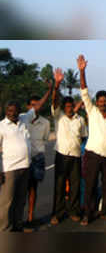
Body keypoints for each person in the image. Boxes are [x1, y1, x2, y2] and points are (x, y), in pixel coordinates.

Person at [0, 85, 52, 231]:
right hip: (9, 169)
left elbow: (38, 105)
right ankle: (4, 229)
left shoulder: (23, 119)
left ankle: (17, 225)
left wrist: (49, 89)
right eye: (10, 110)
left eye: (16, 110)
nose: (13, 113)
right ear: (6, 111)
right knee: (6, 202)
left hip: (25, 167)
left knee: (20, 200)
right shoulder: (1, 126)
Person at [77, 55, 106, 226]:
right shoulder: (92, 111)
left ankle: (105, 212)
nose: (102, 103)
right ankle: (88, 214)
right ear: (97, 102)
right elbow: (84, 92)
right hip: (93, 154)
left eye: (105, 100)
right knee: (90, 186)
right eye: (100, 101)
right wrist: (82, 71)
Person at [50, 68, 88, 225]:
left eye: (71, 105)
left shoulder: (80, 119)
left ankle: (73, 211)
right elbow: (54, 101)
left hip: (76, 156)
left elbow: (84, 136)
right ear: (63, 107)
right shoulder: (58, 117)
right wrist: (57, 85)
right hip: (61, 155)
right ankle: (57, 214)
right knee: (59, 186)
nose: (69, 108)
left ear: (73, 106)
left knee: (75, 186)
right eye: (66, 106)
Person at [24, 94, 51, 228]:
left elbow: (46, 139)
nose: (35, 107)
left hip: (38, 158)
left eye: (38, 104)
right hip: (23, 159)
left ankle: (30, 217)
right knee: (21, 189)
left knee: (33, 188)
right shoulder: (22, 119)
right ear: (28, 107)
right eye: (32, 105)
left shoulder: (45, 123)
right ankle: (17, 218)